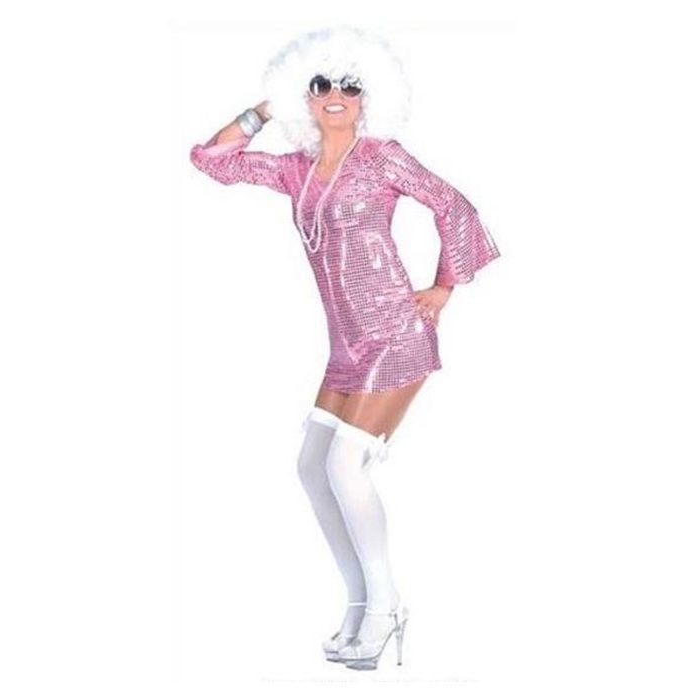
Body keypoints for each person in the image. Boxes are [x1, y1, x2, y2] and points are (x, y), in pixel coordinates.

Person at [189, 26, 500, 670]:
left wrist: (444, 286)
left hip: (396, 331)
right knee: (312, 465)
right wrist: (265, 108)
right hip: (346, 343)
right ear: (303, 95)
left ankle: (387, 608)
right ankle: (359, 603)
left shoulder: (382, 156)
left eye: (350, 85)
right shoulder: (295, 169)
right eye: (320, 83)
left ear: (369, 96)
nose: (335, 95)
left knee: (345, 466)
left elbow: (451, 203)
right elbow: (211, 160)